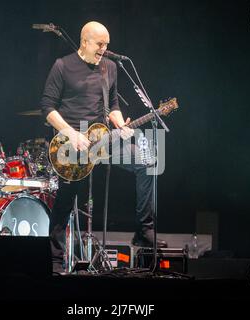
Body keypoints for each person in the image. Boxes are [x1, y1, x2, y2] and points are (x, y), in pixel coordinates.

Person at [40, 21, 167, 273]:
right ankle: (54, 261)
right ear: (84, 41)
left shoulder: (109, 67)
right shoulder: (62, 66)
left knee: (148, 160)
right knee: (65, 202)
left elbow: (114, 105)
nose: (104, 49)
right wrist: (71, 134)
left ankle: (144, 231)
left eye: (107, 44)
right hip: (71, 144)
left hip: (102, 140)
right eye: (100, 44)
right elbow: (47, 108)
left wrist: (120, 123)